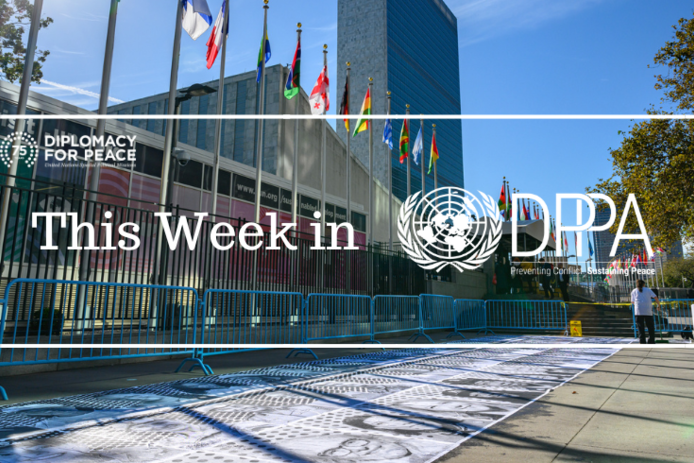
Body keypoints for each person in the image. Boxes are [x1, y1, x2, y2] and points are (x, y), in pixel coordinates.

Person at [630, 279, 661, 344]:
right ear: (644, 284)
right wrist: (658, 305)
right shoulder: (648, 290)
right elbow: (655, 297)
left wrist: (637, 304)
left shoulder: (634, 291)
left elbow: (632, 301)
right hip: (647, 310)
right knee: (650, 326)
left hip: (638, 310)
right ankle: (651, 340)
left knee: (640, 327)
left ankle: (642, 340)